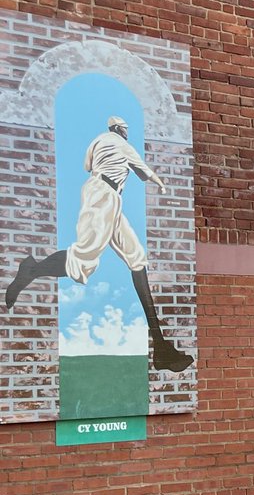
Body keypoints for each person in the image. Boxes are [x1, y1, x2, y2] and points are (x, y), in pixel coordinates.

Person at [5, 116, 193, 372]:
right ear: (119, 129)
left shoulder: (97, 142)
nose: (126, 133)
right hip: (104, 195)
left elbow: (87, 165)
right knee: (84, 256)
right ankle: (33, 270)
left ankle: (160, 347)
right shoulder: (119, 142)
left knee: (136, 257)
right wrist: (160, 183)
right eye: (125, 129)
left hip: (107, 195)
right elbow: (141, 170)